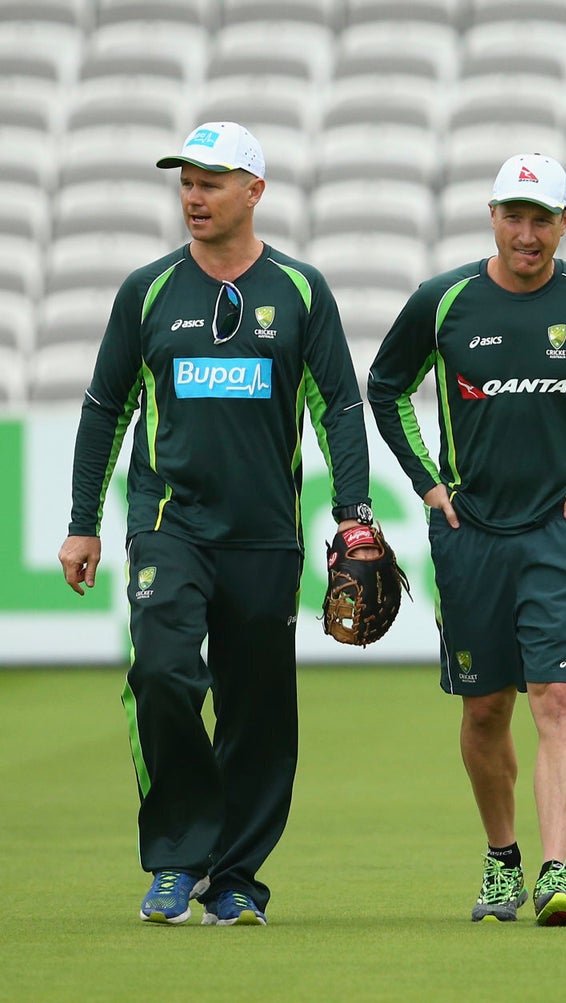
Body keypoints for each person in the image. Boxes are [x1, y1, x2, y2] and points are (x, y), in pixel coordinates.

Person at [58, 121, 380, 927]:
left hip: (268, 533)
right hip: (170, 524)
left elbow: (340, 405)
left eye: (211, 181)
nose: (193, 196)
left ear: (254, 192)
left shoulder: (302, 291)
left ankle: (235, 877)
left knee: (260, 713)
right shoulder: (149, 290)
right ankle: (175, 858)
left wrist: (355, 517)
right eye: (186, 181)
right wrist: (82, 522)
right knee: (163, 673)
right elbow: (105, 409)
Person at [367, 153, 566, 926]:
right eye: (514, 215)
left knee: (558, 696)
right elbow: (386, 385)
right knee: (483, 711)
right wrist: (428, 482)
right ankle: (502, 860)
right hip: (470, 534)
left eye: (542, 218)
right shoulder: (444, 302)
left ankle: (556, 870)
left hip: (562, 532)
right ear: (492, 216)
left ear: (565, 222)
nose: (527, 233)